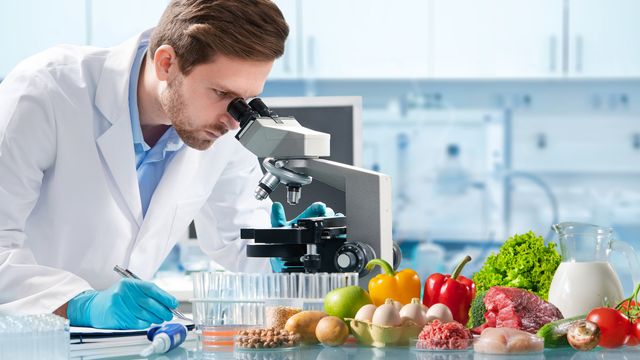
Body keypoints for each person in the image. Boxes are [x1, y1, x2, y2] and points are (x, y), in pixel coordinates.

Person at [0, 0, 330, 329]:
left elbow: (236, 236)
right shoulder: (46, 92)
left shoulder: (222, 125)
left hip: (126, 341)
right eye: (219, 92)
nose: (233, 121)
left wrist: (282, 252)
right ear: (167, 62)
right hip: (29, 335)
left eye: (245, 101)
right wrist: (81, 304)